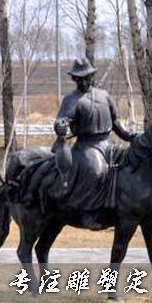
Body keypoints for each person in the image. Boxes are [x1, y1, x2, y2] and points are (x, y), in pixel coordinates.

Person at [52, 58, 136, 229]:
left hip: (107, 143)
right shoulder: (71, 99)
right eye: (79, 78)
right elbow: (62, 120)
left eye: (86, 77)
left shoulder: (104, 95)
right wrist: (61, 126)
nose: (83, 81)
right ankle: (88, 212)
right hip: (86, 146)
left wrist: (129, 136)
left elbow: (115, 122)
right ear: (75, 79)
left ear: (92, 76)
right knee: (96, 171)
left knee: (128, 166)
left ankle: (120, 206)